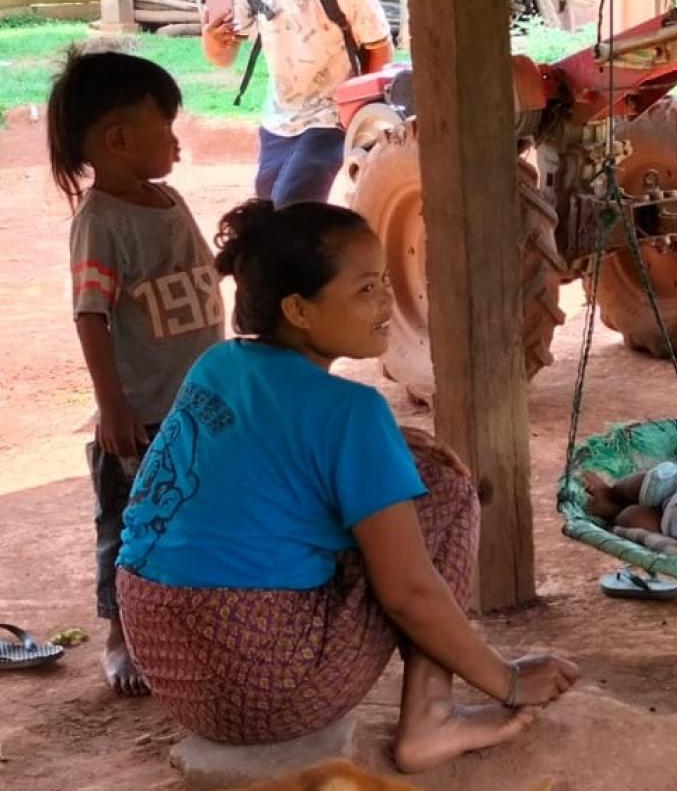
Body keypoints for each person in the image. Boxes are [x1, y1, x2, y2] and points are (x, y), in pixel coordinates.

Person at [114, 200, 578, 772]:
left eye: (385, 281)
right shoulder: (352, 412)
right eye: (365, 289)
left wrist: (388, 444)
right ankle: (431, 717)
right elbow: (408, 594)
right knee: (447, 492)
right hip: (267, 692)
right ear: (299, 311)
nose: (387, 301)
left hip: (170, 666)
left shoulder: (218, 365)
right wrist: (506, 681)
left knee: (389, 489)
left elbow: (268, 450)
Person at [48, 49, 225, 698]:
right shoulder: (100, 225)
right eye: (167, 127)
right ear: (119, 139)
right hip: (143, 414)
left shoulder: (168, 199)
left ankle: (184, 620)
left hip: (201, 404)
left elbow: (201, 272)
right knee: (129, 528)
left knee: (199, 513)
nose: (178, 139)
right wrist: (113, 404)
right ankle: (121, 635)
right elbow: (90, 315)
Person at [201, 0, 393, 207]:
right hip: (280, 115)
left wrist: (358, 116)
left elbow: (379, 48)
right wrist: (213, 41)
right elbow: (222, 58)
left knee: (293, 204)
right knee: (267, 203)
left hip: (334, 115)